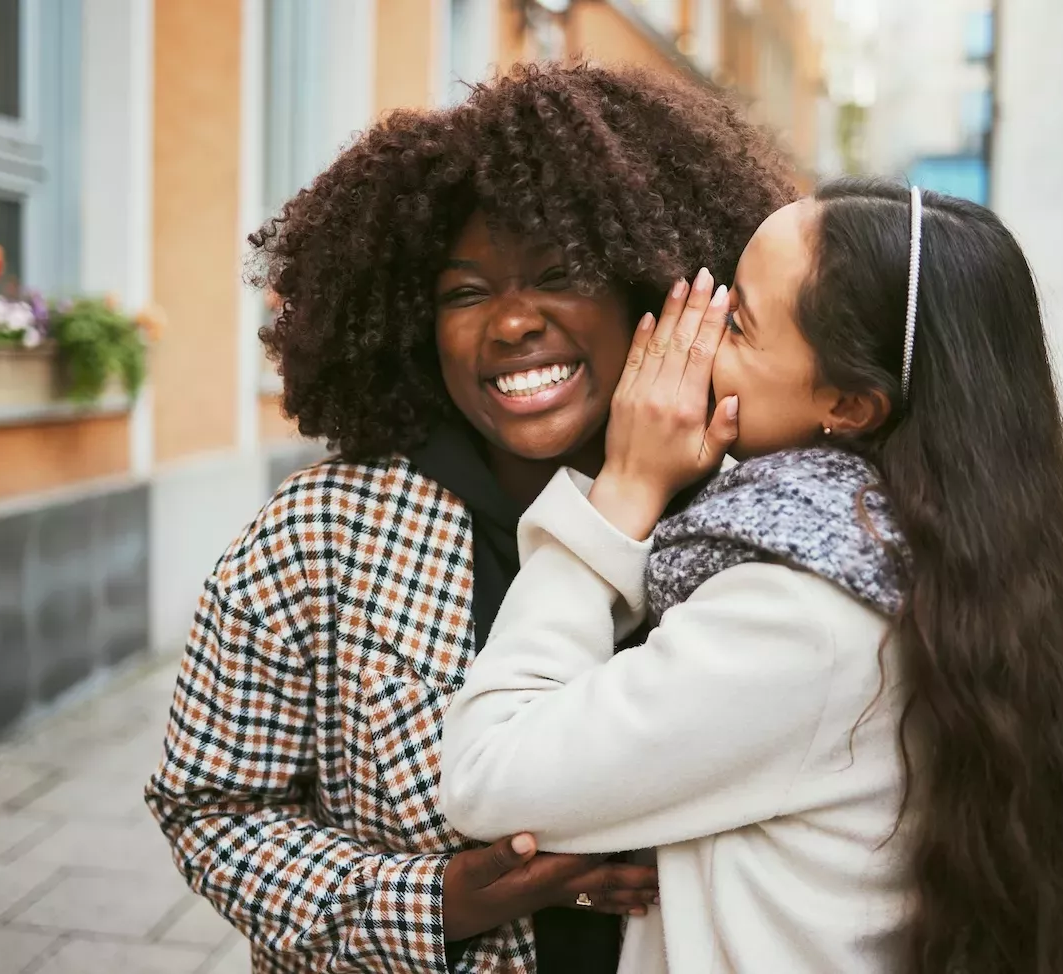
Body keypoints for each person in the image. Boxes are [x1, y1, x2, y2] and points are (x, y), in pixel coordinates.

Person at [440, 178, 1063, 973]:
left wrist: (621, 492)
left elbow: (491, 774)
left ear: (850, 406)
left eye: (736, 324)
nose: (695, 345)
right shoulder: (927, 554)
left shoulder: (800, 615)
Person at [143, 63, 792, 974]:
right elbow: (212, 810)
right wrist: (442, 902)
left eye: (560, 274)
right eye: (465, 292)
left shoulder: (758, 526)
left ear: (649, 289)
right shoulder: (318, 535)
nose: (513, 323)